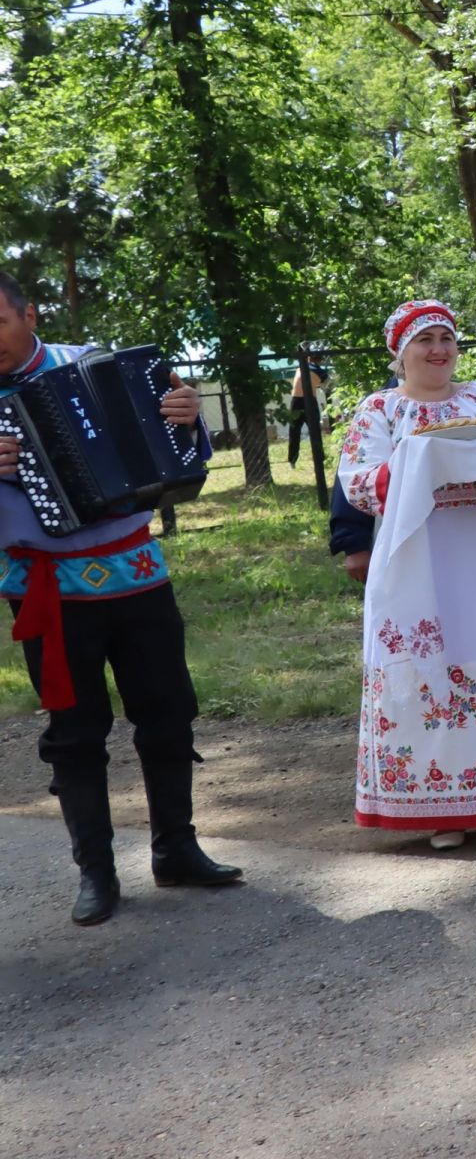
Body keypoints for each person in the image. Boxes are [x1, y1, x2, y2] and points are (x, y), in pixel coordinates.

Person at [0, 270, 240, 926]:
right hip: (45, 592)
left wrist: (187, 419)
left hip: (136, 573)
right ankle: (96, 875)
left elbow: (175, 447)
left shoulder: (95, 365)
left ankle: (177, 850)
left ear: (30, 314)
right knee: (75, 733)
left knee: (167, 710)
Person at [338, 301, 476, 851]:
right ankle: (438, 809)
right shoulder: (380, 410)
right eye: (424, 340)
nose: (438, 350)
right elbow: (357, 483)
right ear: (400, 353)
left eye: (446, 339)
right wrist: (420, 460)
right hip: (417, 561)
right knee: (426, 670)